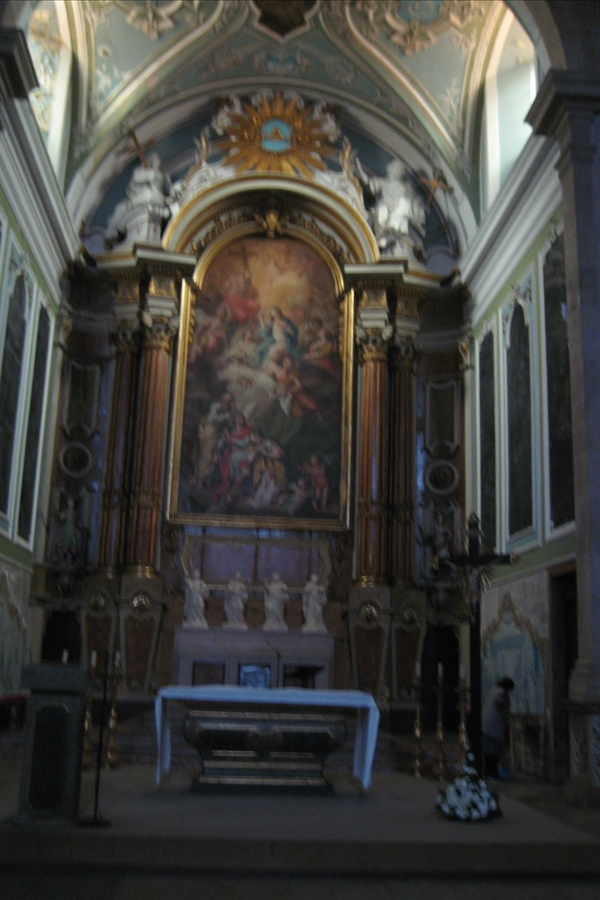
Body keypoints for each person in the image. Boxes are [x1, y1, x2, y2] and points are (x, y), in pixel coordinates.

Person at [482, 676, 515, 779]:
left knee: (488, 750)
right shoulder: (502, 693)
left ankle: (488, 771)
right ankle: (492, 772)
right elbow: (499, 704)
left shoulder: (493, 690)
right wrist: (505, 719)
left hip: (485, 723)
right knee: (494, 750)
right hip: (494, 723)